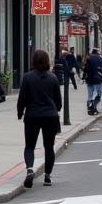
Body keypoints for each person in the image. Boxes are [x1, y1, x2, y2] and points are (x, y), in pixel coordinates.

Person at [17, 47, 62, 188]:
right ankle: (47, 176)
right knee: (49, 147)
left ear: (33, 61)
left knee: (29, 146)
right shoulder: (53, 77)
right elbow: (58, 101)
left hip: (32, 115)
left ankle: (30, 169)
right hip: (50, 115)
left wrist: (20, 112)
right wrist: (55, 109)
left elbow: (22, 98)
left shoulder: (27, 77)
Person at [84, 47, 102, 114]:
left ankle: (89, 106)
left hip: (89, 79)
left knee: (90, 94)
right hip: (98, 79)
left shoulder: (88, 58)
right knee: (98, 94)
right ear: (97, 52)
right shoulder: (100, 59)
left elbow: (85, 69)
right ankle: (93, 107)